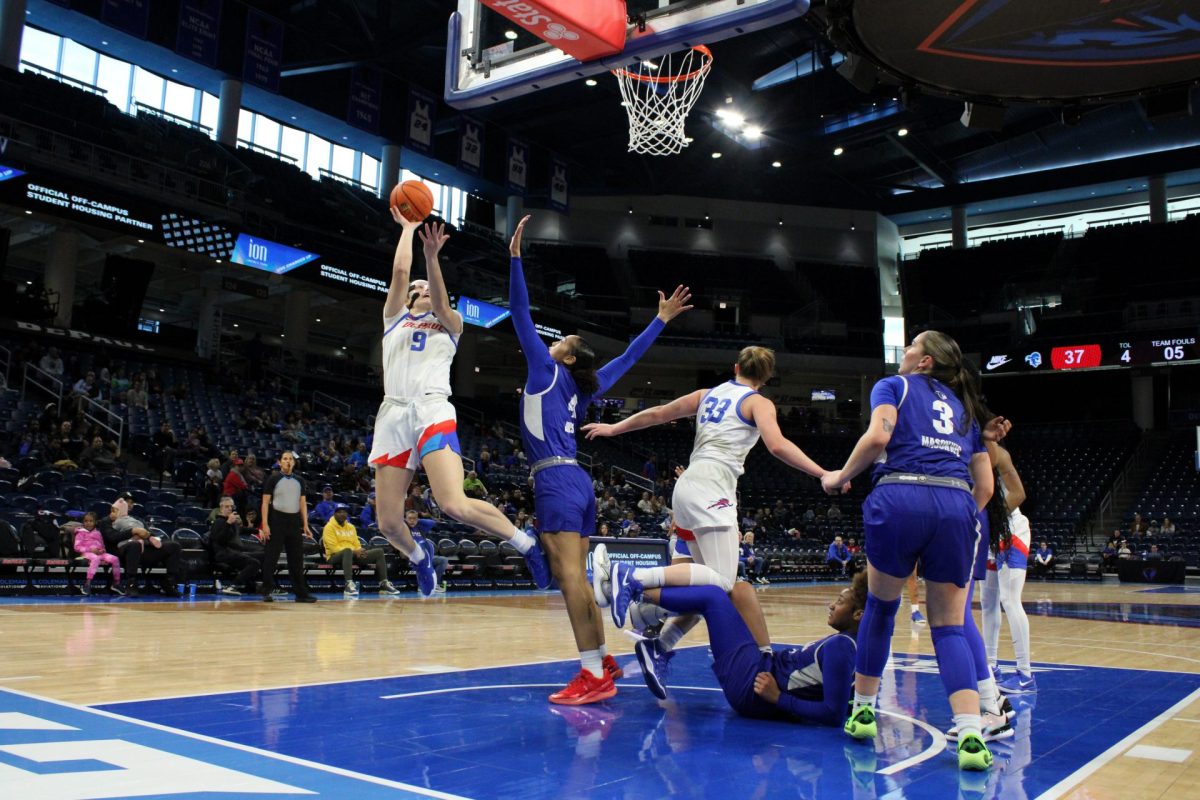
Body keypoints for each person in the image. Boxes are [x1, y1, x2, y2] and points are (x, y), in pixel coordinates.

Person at [511, 214, 693, 705]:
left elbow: (519, 311)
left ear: (566, 357)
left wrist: (514, 258)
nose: (553, 341)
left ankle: (592, 673)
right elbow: (629, 359)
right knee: (578, 579)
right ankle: (602, 659)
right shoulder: (582, 384)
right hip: (580, 483)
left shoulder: (545, 370)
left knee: (568, 579)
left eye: (562, 341)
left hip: (555, 480)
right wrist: (660, 320)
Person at [584, 345, 835, 696]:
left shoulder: (708, 394)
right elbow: (777, 446)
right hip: (713, 487)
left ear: (736, 367)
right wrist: (822, 472)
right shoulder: (758, 402)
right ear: (765, 378)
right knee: (722, 582)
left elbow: (658, 413)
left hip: (686, 485)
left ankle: (658, 641)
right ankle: (631, 578)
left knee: (706, 590)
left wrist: (613, 429)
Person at [818, 330, 1009, 772]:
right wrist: (951, 519)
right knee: (949, 629)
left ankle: (863, 711)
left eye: (911, 347)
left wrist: (838, 476)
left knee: (882, 610)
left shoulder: (892, 385)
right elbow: (984, 487)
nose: (904, 352)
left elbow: (878, 438)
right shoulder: (966, 410)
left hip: (899, 496)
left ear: (924, 362)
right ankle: (971, 735)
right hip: (955, 504)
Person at [368, 214, 548, 600]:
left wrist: (432, 258)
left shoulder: (451, 323)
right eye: (420, 289)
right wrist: (408, 229)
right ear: (411, 298)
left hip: (433, 409)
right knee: (388, 523)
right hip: (394, 415)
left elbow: (439, 294)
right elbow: (400, 272)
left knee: (452, 503)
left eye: (429, 287)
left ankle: (527, 544)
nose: (425, 290)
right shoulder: (394, 319)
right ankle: (419, 557)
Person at [597, 544, 866, 724]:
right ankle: (653, 634)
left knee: (714, 596)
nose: (832, 604)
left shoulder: (843, 647)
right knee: (740, 590)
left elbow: (833, 713)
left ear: (858, 615)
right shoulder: (855, 648)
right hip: (765, 667)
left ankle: (632, 587)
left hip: (753, 690)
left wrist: (778, 698)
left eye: (840, 602)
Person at [981, 443, 1035, 697]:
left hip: (1010, 528)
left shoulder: (996, 451)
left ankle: (1025, 674)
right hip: (986, 533)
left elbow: (1018, 494)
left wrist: (991, 522)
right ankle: (991, 666)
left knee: (1010, 600)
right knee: (987, 601)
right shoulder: (956, 450)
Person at [260, 451, 318, 603]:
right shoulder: (273, 478)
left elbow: (302, 504)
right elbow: (265, 502)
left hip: (294, 522)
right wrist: (265, 524)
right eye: (285, 459)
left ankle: (301, 593)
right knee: (271, 557)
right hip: (277, 520)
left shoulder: (300, 480)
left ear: (293, 462)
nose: (288, 461)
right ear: (279, 462)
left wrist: (305, 524)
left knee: (296, 559)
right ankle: (267, 591)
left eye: (290, 459)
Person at [322, 504, 401, 596]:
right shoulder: (329, 527)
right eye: (339, 512)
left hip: (352, 555)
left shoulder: (351, 527)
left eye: (344, 512)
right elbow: (333, 548)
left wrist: (360, 551)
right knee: (347, 550)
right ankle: (349, 585)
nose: (342, 514)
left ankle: (383, 584)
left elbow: (356, 543)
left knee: (379, 552)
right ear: (334, 514)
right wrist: (353, 551)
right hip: (334, 557)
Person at [208, 496, 262, 596]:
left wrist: (258, 530)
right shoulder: (218, 522)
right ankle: (233, 586)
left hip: (235, 552)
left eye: (231, 506)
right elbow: (219, 540)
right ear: (221, 508)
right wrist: (228, 523)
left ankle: (263, 586)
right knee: (254, 563)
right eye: (227, 506)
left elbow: (242, 529)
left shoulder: (231, 522)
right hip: (224, 554)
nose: (229, 508)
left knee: (263, 555)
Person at [73, 512, 123, 596]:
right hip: (86, 553)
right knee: (96, 558)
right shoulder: (80, 533)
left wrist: (102, 550)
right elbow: (77, 547)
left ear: (95, 522)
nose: (88, 523)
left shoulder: (98, 533)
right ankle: (87, 584)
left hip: (99, 554)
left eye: (91, 521)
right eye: (86, 521)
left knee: (115, 559)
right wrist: (90, 549)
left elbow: (102, 545)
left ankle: (116, 583)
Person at [406, 509, 448, 594]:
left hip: (425, 555)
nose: (412, 520)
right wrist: (405, 521)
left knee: (443, 560)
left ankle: (434, 584)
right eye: (409, 518)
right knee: (421, 559)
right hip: (410, 556)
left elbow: (432, 522)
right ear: (406, 519)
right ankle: (422, 586)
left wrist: (418, 520)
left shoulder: (420, 528)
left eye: (414, 518)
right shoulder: (404, 528)